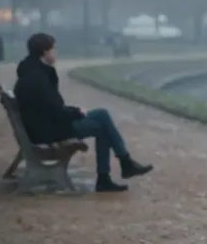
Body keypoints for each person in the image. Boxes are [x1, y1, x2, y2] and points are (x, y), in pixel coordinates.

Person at [14, 32, 153, 193]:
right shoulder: (38, 78)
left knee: (102, 115)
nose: (56, 52)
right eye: (54, 49)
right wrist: (78, 112)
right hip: (49, 131)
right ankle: (117, 168)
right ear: (45, 52)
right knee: (103, 125)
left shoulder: (33, 72)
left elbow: (51, 108)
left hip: (44, 126)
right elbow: (55, 111)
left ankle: (121, 166)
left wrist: (75, 111)